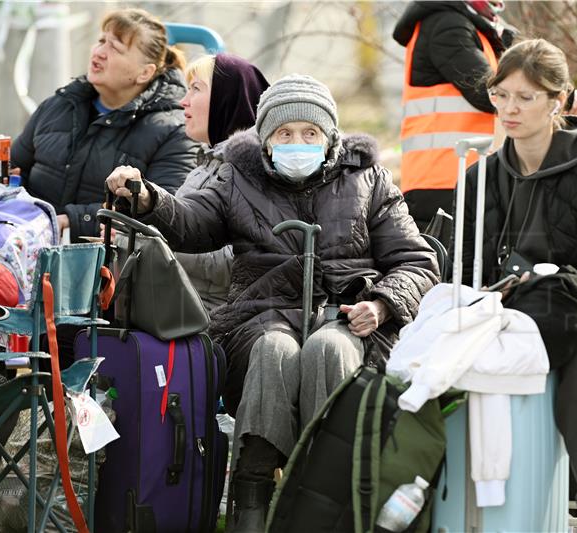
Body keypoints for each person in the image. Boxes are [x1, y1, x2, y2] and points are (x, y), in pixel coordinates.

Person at [106, 74, 439, 532]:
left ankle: (332, 501)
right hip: (261, 318)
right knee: (273, 353)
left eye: (310, 133)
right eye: (284, 134)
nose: (297, 142)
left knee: (330, 350)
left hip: (350, 319)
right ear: (265, 141)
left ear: (330, 138)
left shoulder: (369, 179)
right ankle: (252, 497)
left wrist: (381, 304)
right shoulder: (237, 177)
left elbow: (417, 263)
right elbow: (190, 223)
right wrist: (146, 198)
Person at [454, 39, 577, 532]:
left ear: (558, 101)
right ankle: (452, 512)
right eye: (501, 96)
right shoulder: (481, 179)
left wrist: (561, 314)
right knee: (440, 355)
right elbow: (466, 279)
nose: (509, 110)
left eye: (526, 97)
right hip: (508, 325)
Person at [8, 7, 199, 240]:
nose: (99, 52)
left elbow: (163, 213)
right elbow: (16, 168)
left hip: (108, 266)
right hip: (26, 244)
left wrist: (75, 221)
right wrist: (2, 184)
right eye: (101, 41)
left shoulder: (174, 131)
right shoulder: (59, 105)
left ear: (144, 73)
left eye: (115, 48)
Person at [393, 0, 515, 230]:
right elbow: (489, 93)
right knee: (450, 265)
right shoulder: (447, 25)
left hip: (461, 178)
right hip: (443, 183)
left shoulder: (475, 27)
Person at [173, 53, 269, 311]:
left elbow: (239, 261)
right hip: (184, 309)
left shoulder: (252, 169)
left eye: (196, 89)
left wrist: (150, 239)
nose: (184, 102)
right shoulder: (207, 162)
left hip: (217, 322)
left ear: (227, 99)